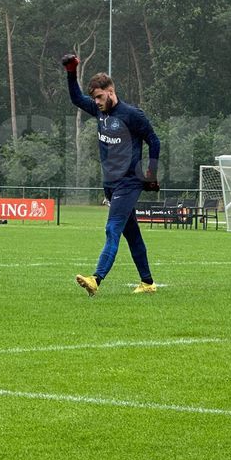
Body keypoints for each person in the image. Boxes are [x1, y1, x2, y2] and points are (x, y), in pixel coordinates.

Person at [61, 53, 161, 296]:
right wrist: (71, 72)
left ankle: (96, 278)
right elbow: (76, 98)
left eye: (99, 96)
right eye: (94, 98)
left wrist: (150, 173)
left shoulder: (132, 115)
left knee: (112, 228)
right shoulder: (100, 112)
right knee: (132, 234)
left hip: (130, 181)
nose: (95, 102)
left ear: (111, 91)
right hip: (111, 184)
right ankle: (147, 283)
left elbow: (154, 141)